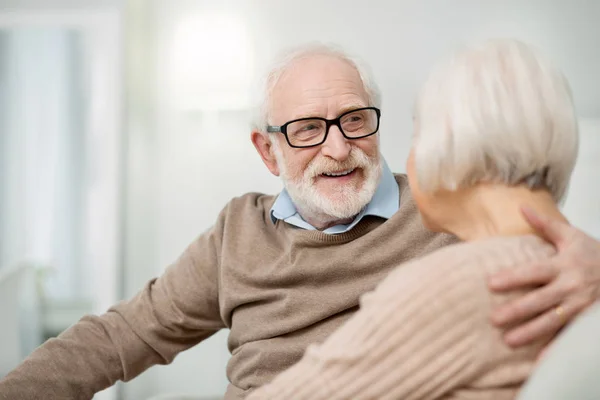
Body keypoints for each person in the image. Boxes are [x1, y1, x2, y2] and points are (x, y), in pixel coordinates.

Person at [1, 43, 599, 400]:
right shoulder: (238, 231)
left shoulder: (445, 209)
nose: (339, 149)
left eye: (356, 120)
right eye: (308, 130)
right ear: (268, 152)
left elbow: (534, 242)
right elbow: (121, 336)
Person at [246, 39, 597, 399]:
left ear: (447, 145)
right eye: (308, 129)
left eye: (417, 137)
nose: (338, 149)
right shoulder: (579, 271)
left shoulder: (456, 286)